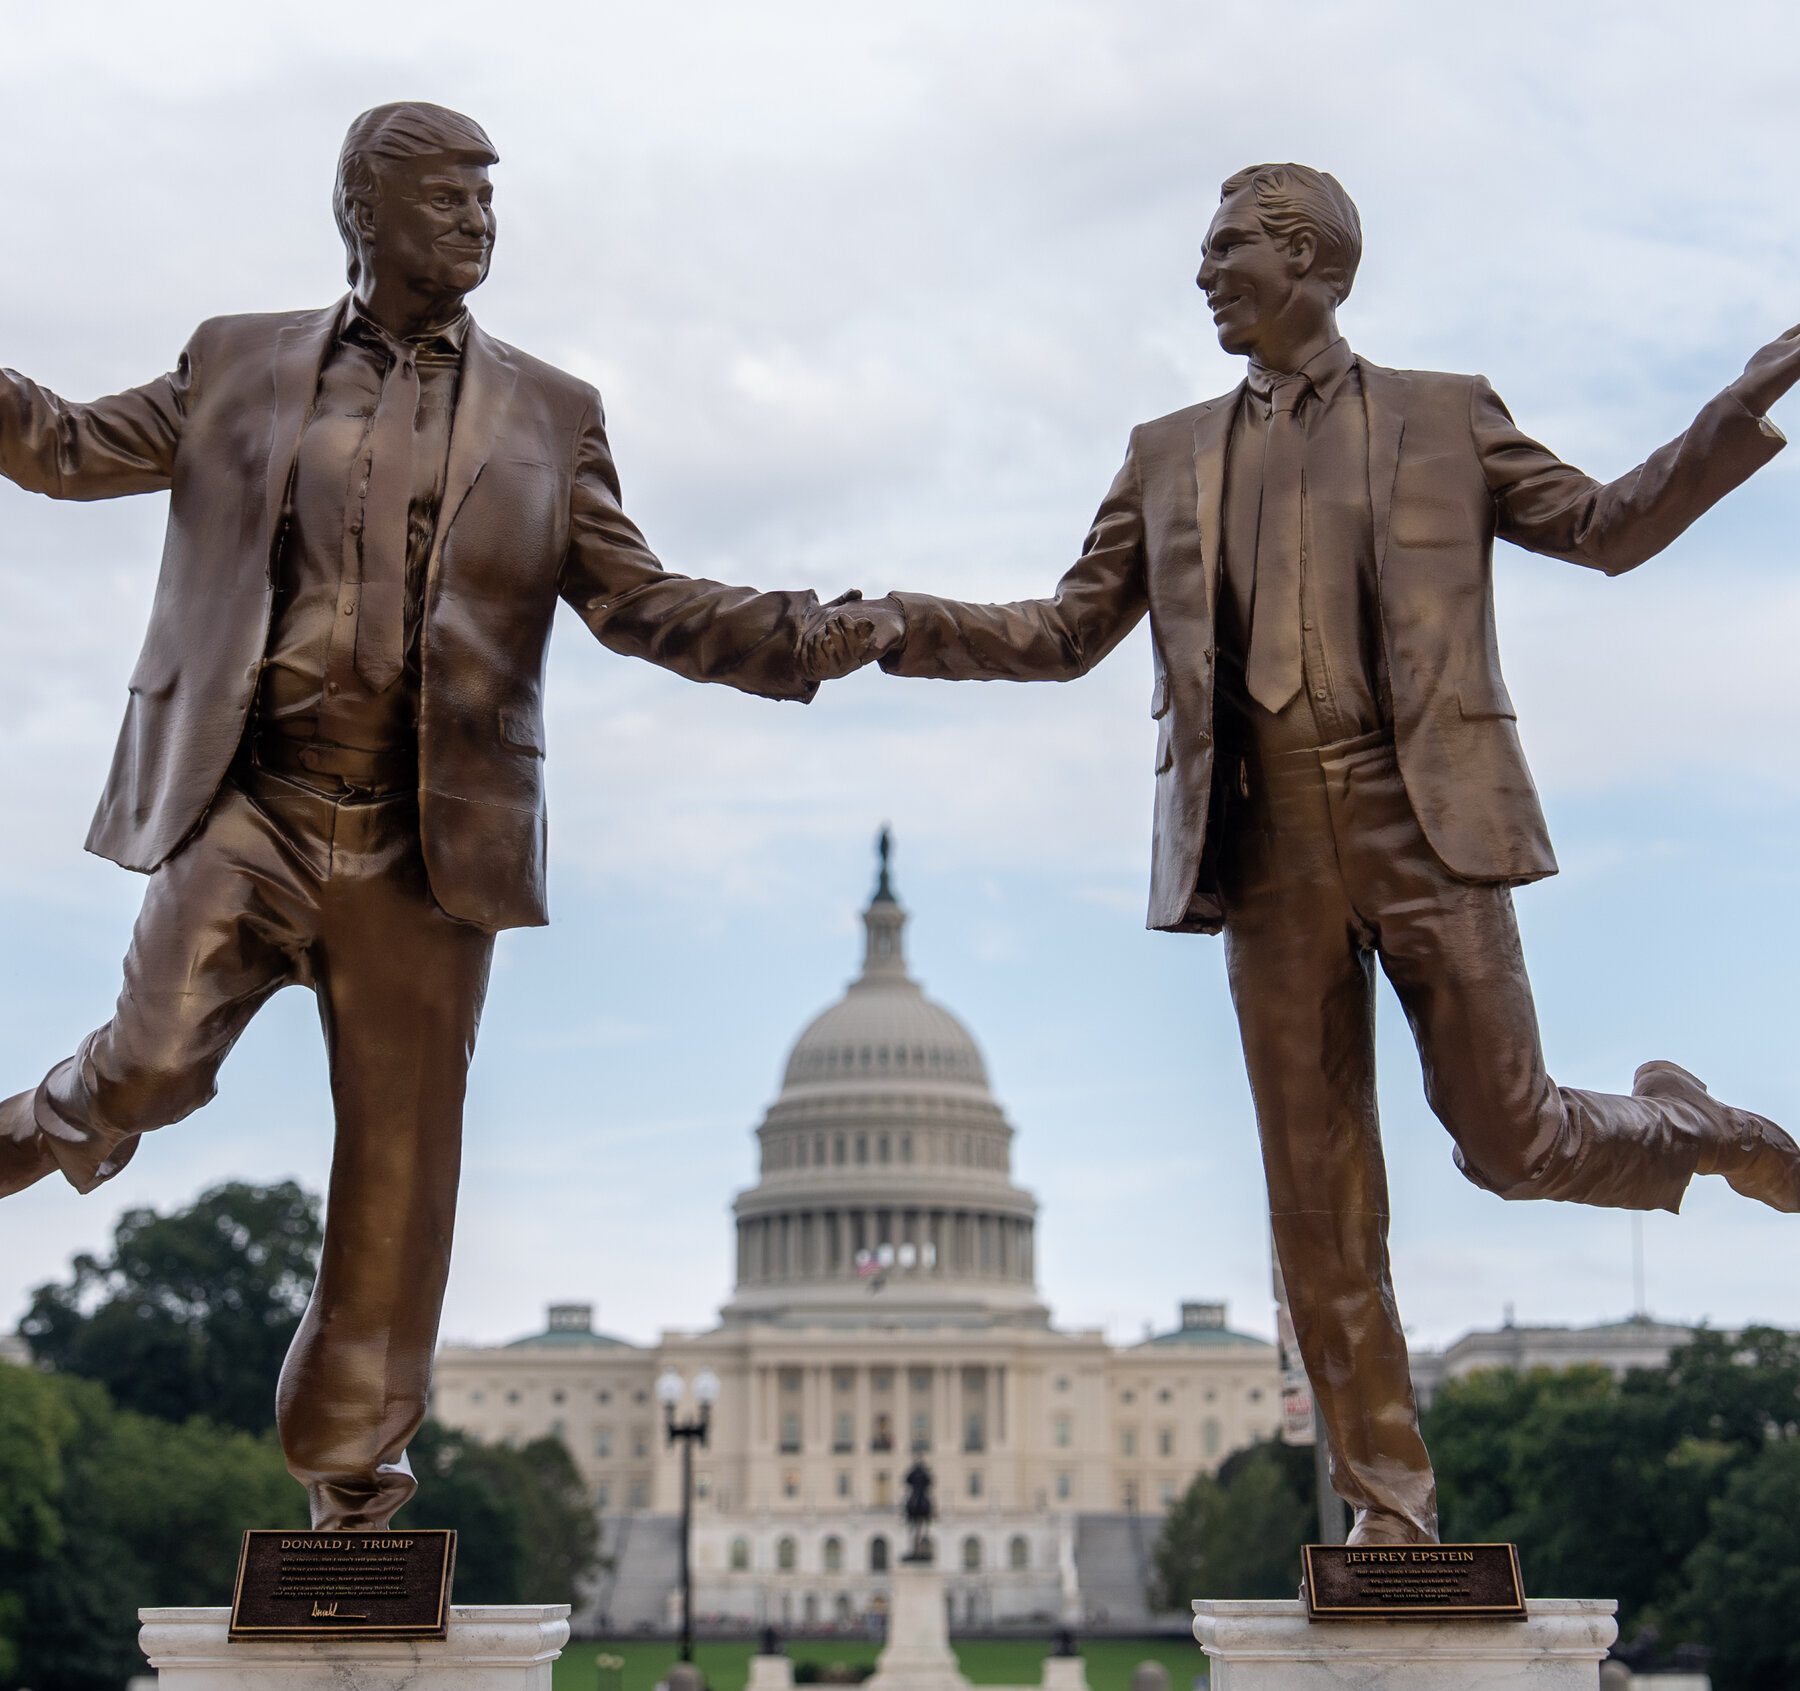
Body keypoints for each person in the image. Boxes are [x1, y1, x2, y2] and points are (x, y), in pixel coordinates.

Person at [804, 162, 1800, 1545]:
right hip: (1261, 851)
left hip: (1424, 825)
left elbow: (1604, 529)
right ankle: (1391, 1510)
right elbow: (1060, 633)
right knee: (1318, 1203)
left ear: (1315, 263)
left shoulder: (1445, 417)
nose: (1205, 274)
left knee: (1507, 1144)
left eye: (1229, 251)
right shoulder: (1164, 454)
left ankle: (1698, 1127)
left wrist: (1730, 417)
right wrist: (897, 624)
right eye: (1206, 254)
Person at [0, 103, 833, 1530]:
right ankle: (37, 1126)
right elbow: (66, 446)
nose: (479, 224)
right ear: (364, 212)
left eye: (490, 202)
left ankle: (351, 1470)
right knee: (151, 1069)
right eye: (450, 199)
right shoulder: (237, 364)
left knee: (398, 1162)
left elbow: (636, 602)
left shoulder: (552, 412)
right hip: (251, 802)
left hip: (425, 841)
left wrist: (792, 634)